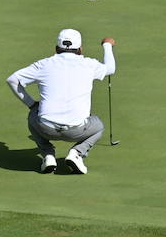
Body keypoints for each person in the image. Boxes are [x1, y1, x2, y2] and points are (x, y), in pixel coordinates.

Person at [6, 29, 117, 175]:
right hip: (76, 131)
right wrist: (107, 45)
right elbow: (110, 69)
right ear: (80, 49)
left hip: (46, 128)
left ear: (56, 48)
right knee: (98, 126)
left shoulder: (43, 64)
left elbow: (12, 80)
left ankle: (48, 156)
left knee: (33, 114)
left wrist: (31, 104)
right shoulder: (89, 64)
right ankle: (77, 153)